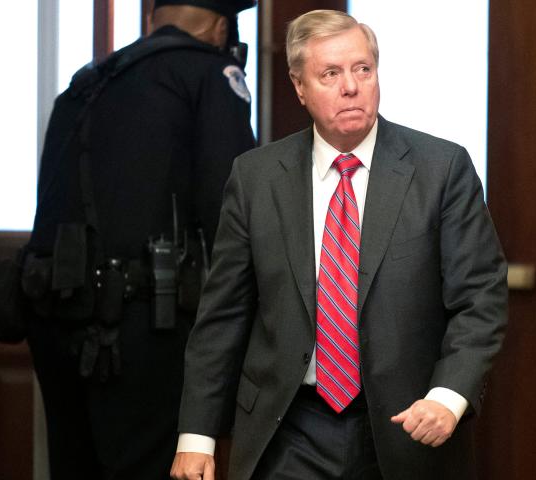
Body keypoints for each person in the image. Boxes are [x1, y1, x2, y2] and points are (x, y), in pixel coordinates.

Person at [170, 9, 507, 480]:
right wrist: (197, 435)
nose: (351, 86)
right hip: (288, 427)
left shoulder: (441, 169)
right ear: (299, 87)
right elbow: (222, 316)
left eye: (362, 69)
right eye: (330, 73)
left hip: (406, 424)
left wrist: (448, 397)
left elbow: (480, 299)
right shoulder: (256, 178)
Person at [22, 0, 256, 478]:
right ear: (220, 27)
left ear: (153, 18)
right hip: (148, 323)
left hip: (58, 313)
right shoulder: (210, 73)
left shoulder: (86, 82)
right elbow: (232, 215)